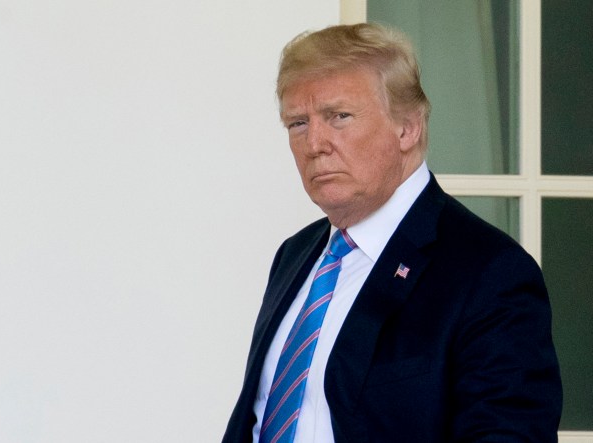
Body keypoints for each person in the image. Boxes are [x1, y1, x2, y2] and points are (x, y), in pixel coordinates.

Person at [222, 23, 562, 443]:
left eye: (339, 117)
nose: (315, 144)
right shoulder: (295, 255)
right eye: (297, 123)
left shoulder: (490, 273)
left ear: (408, 128)